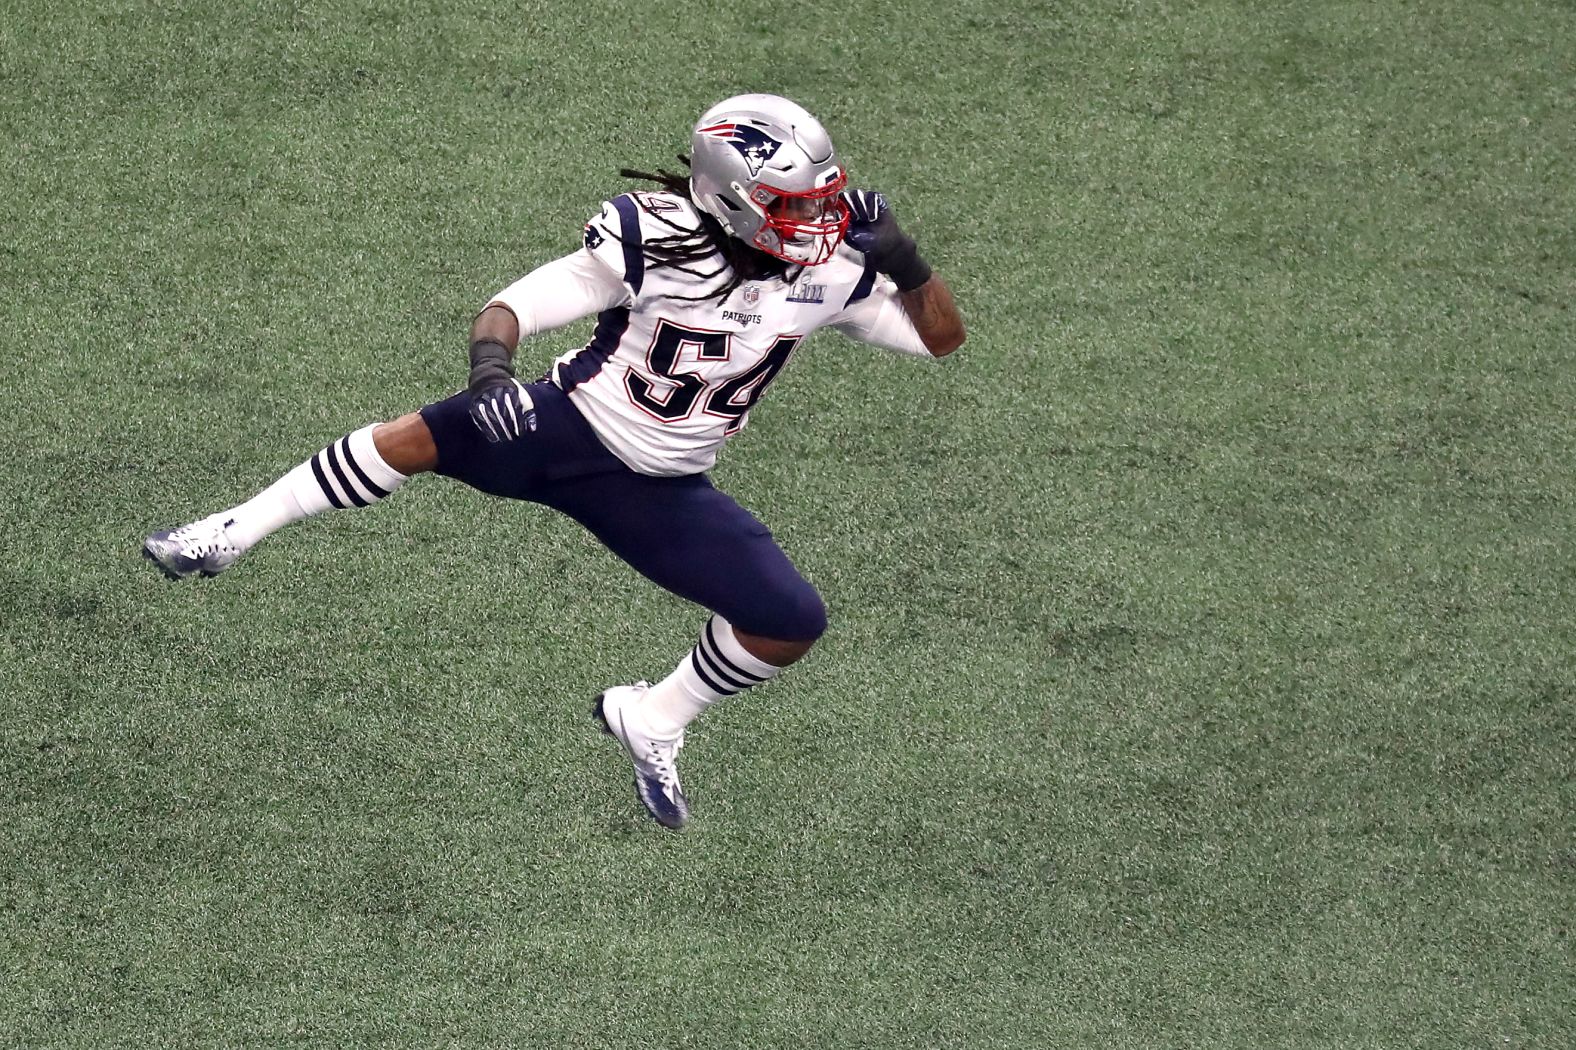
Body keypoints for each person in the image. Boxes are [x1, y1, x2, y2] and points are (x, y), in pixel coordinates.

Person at [143, 93, 966, 829]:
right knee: (415, 438)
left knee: (790, 622)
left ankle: (654, 718)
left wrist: (908, 263)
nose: (822, 221)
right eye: (796, 204)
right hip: (568, 426)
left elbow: (941, 340)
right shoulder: (661, 238)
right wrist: (491, 372)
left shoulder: (839, 270)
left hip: (663, 486)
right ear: (735, 202)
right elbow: (514, 305)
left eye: (822, 198)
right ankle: (232, 529)